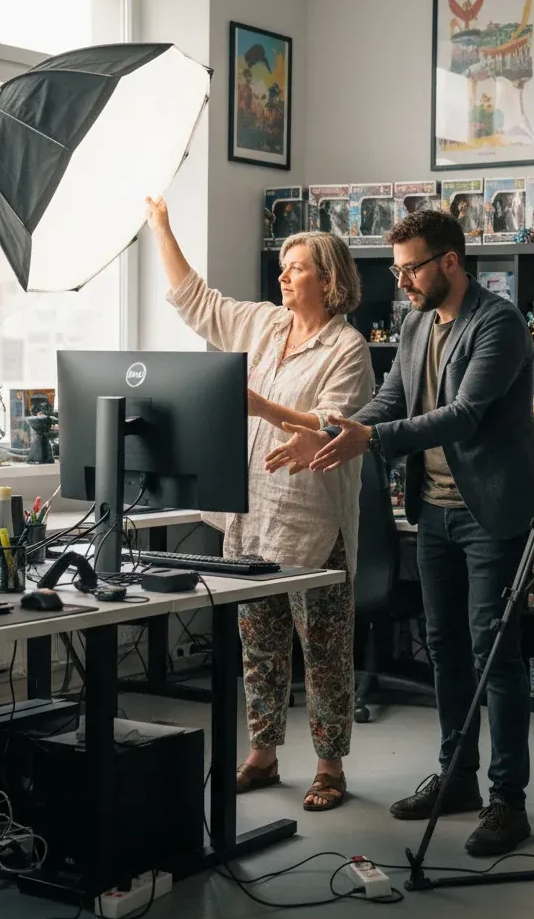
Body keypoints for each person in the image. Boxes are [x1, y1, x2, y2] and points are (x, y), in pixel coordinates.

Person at [265, 209, 534, 856]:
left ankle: (509, 800)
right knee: (444, 648)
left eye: (411, 269)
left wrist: (367, 439)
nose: (402, 283)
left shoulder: (499, 324)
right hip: (434, 510)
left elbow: (463, 415)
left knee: (493, 652)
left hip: (491, 514)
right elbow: (390, 400)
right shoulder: (417, 323)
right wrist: (328, 431)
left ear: (450, 261)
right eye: (396, 271)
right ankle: (457, 779)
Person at [143, 196, 373, 811]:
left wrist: (263, 408)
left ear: (329, 279)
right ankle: (263, 755)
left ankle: (330, 768)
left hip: (312, 524)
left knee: (323, 652)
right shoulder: (265, 325)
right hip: (251, 518)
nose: (283, 275)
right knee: (260, 645)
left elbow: (333, 424)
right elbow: (196, 300)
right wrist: (162, 227)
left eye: (296, 267)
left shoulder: (347, 348)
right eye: (283, 266)